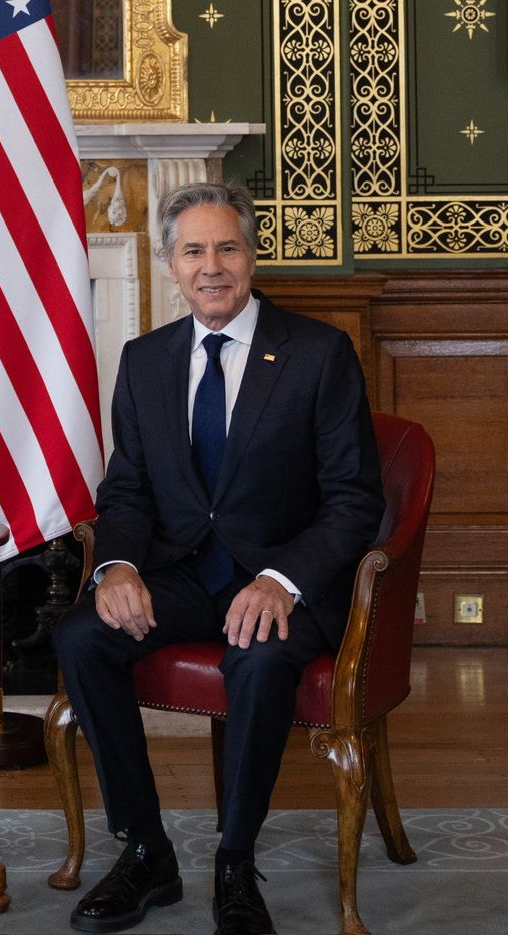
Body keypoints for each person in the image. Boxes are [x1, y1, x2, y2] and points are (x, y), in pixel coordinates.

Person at [53, 181, 384, 935]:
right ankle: (145, 848)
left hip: (283, 582)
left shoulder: (318, 353)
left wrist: (280, 579)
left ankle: (235, 861)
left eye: (226, 247)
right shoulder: (143, 361)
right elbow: (127, 490)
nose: (211, 265)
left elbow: (353, 500)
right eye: (193, 250)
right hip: (183, 575)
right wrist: (119, 569)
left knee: (259, 657)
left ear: (251, 255)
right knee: (81, 635)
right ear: (169, 264)